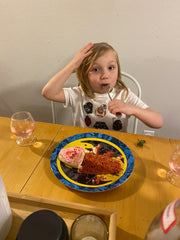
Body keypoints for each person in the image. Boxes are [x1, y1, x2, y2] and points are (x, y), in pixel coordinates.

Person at [42, 42, 163, 132]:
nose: (105, 75)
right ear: (84, 74)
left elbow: (158, 122)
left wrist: (132, 109)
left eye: (111, 68)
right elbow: (48, 93)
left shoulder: (124, 95)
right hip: (85, 148)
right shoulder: (79, 94)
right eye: (95, 69)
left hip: (115, 150)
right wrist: (72, 65)